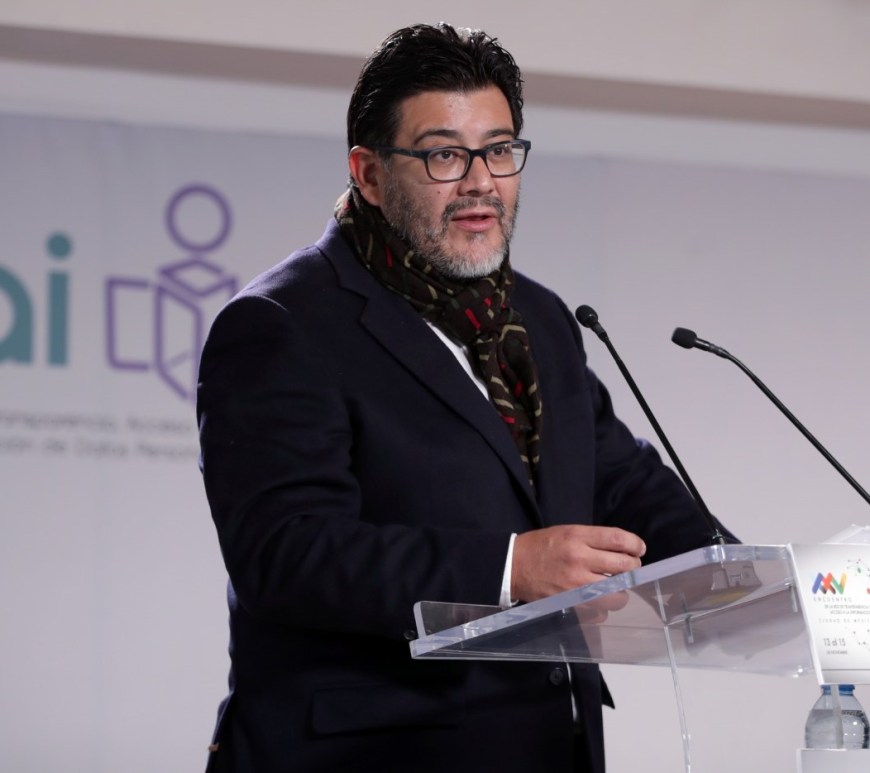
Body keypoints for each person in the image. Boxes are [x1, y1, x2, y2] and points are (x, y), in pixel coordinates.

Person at [197, 22, 733, 773]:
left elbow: (618, 479)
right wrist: (509, 568)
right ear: (369, 173)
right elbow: (288, 554)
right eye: (444, 154)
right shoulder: (284, 323)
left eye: (500, 149)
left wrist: (733, 572)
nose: (481, 180)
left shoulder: (537, 319)